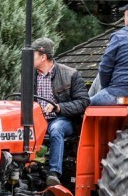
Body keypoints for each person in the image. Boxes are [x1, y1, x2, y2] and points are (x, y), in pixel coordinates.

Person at [31, 37, 91, 187]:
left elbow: (83, 102)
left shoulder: (70, 74)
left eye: (32, 55)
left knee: (56, 129)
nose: (29, 59)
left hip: (63, 119)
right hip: (38, 120)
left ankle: (54, 173)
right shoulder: (30, 76)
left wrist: (59, 107)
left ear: (43, 57)